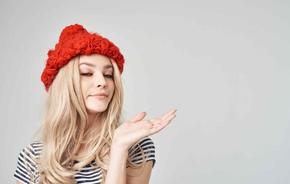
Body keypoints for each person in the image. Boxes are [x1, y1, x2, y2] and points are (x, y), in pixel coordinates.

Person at [13, 24, 177, 184]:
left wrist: (119, 149)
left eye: (108, 74)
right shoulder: (33, 157)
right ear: (64, 85)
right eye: (86, 73)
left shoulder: (136, 148)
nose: (102, 82)